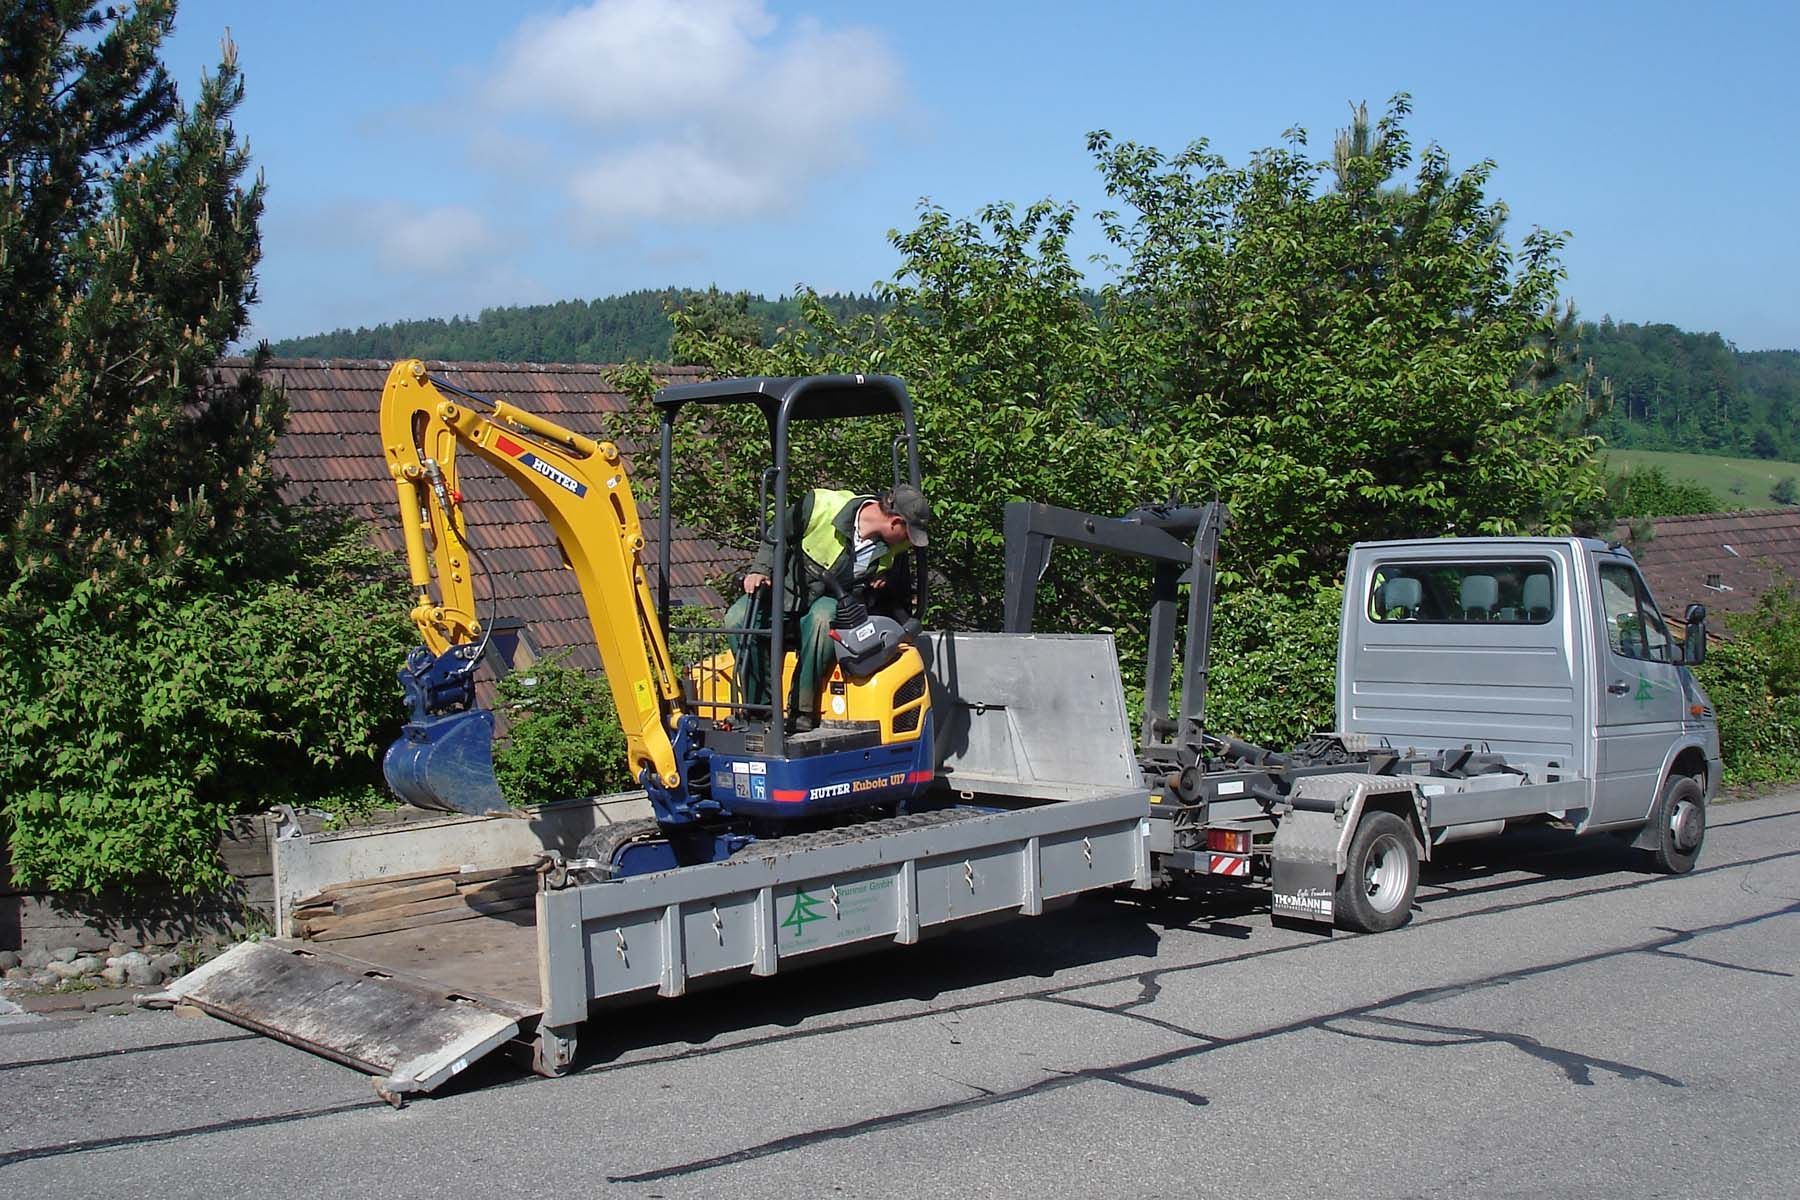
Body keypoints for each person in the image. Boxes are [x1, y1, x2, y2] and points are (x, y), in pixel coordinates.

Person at [726, 484, 931, 730]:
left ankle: (801, 710)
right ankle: (761, 710)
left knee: (823, 618)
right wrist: (760, 569)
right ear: (895, 522)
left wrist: (883, 578)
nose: (909, 542)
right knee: (736, 618)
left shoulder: (893, 546)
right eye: (908, 533)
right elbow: (777, 532)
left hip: (828, 600)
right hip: (786, 592)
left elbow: (889, 581)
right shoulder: (821, 505)